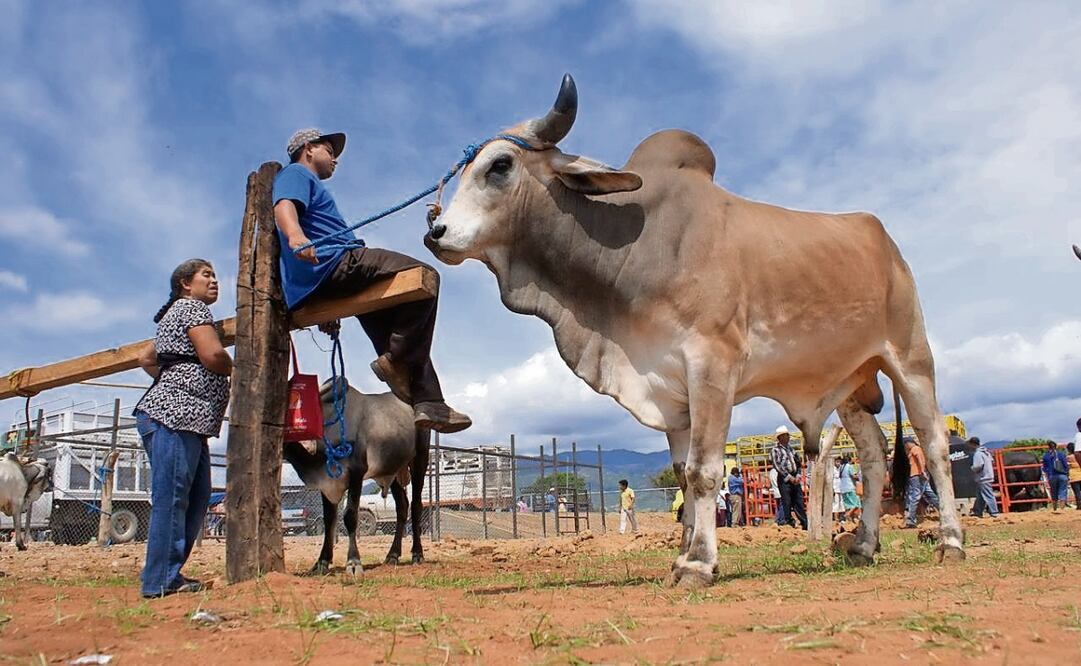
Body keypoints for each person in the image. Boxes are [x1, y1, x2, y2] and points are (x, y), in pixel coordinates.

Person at [272, 129, 470, 433]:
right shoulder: (296, 173)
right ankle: (397, 359)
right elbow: (284, 207)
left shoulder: (305, 178)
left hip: (325, 278)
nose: (335, 159)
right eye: (329, 150)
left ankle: (429, 401)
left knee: (394, 323)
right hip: (334, 262)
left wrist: (331, 308)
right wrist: (296, 235)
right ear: (308, 149)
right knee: (422, 278)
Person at [134, 259, 232, 598]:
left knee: (197, 496)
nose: (214, 280)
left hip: (186, 420)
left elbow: (146, 358)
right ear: (185, 284)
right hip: (173, 417)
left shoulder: (173, 316)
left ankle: (168, 574)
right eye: (206, 274)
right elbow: (213, 355)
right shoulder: (192, 308)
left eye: (215, 275)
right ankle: (159, 580)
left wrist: (172, 380)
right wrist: (238, 368)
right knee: (174, 498)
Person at [770, 426, 808, 530]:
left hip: (794, 476)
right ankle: (787, 522)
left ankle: (805, 523)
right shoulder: (775, 450)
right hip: (784, 479)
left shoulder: (791, 449)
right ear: (780, 437)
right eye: (786, 435)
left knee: (799, 501)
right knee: (786, 501)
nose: (788, 437)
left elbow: (798, 463)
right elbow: (777, 465)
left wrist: (798, 475)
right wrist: (789, 477)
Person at [902, 437, 940, 528]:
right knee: (931, 495)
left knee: (914, 497)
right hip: (920, 475)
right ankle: (944, 511)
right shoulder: (917, 449)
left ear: (908, 443)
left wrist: (922, 471)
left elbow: (920, 460)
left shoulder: (915, 449)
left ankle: (911, 520)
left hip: (917, 475)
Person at [966, 437, 998, 518]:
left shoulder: (978, 454)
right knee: (980, 496)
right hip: (988, 475)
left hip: (983, 477)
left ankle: (994, 512)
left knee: (988, 495)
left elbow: (978, 465)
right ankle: (977, 512)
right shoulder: (986, 452)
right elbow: (992, 461)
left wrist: (972, 468)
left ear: (973, 444)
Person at [1042, 440, 1070, 511]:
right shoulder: (1061, 454)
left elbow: (1044, 468)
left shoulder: (1046, 456)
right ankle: (1062, 509)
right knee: (1063, 491)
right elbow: (1066, 465)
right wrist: (1067, 473)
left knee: (1053, 492)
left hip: (1052, 476)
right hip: (1062, 475)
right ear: (1056, 446)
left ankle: (1055, 509)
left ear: (1048, 447)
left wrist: (1048, 473)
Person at [837, 454, 862, 523]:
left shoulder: (840, 467)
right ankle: (847, 515)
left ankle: (850, 520)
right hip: (850, 487)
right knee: (856, 503)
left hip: (842, 488)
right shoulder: (849, 466)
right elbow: (854, 476)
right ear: (849, 461)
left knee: (847, 505)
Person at [1067, 441, 1081, 510]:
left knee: (1077, 493)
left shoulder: (1068, 457)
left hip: (1073, 477)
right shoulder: (1079, 455)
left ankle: (1079, 506)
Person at [831, 458, 844, 522]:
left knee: (841, 503)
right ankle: (836, 518)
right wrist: (832, 489)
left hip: (841, 488)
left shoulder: (841, 468)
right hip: (835, 488)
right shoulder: (832, 469)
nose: (838, 463)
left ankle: (842, 517)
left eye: (839, 462)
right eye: (837, 462)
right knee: (836, 503)